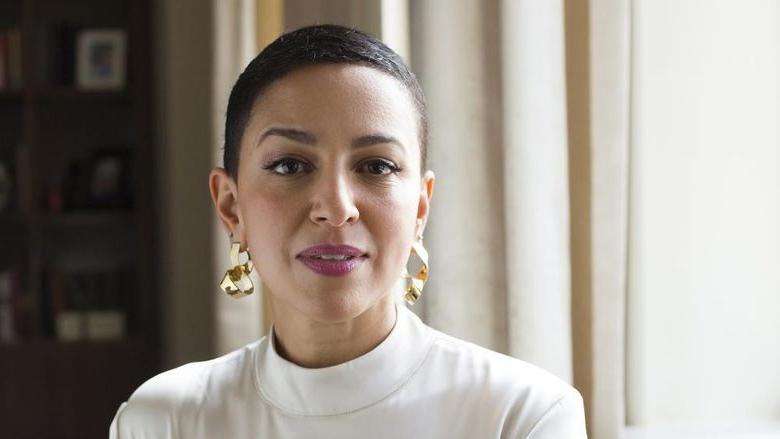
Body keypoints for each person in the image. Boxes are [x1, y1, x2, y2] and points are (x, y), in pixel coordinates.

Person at [109, 24, 587, 438]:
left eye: (376, 166)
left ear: (420, 206)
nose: (336, 210)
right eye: (291, 164)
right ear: (231, 207)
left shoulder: (523, 417)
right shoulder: (163, 421)